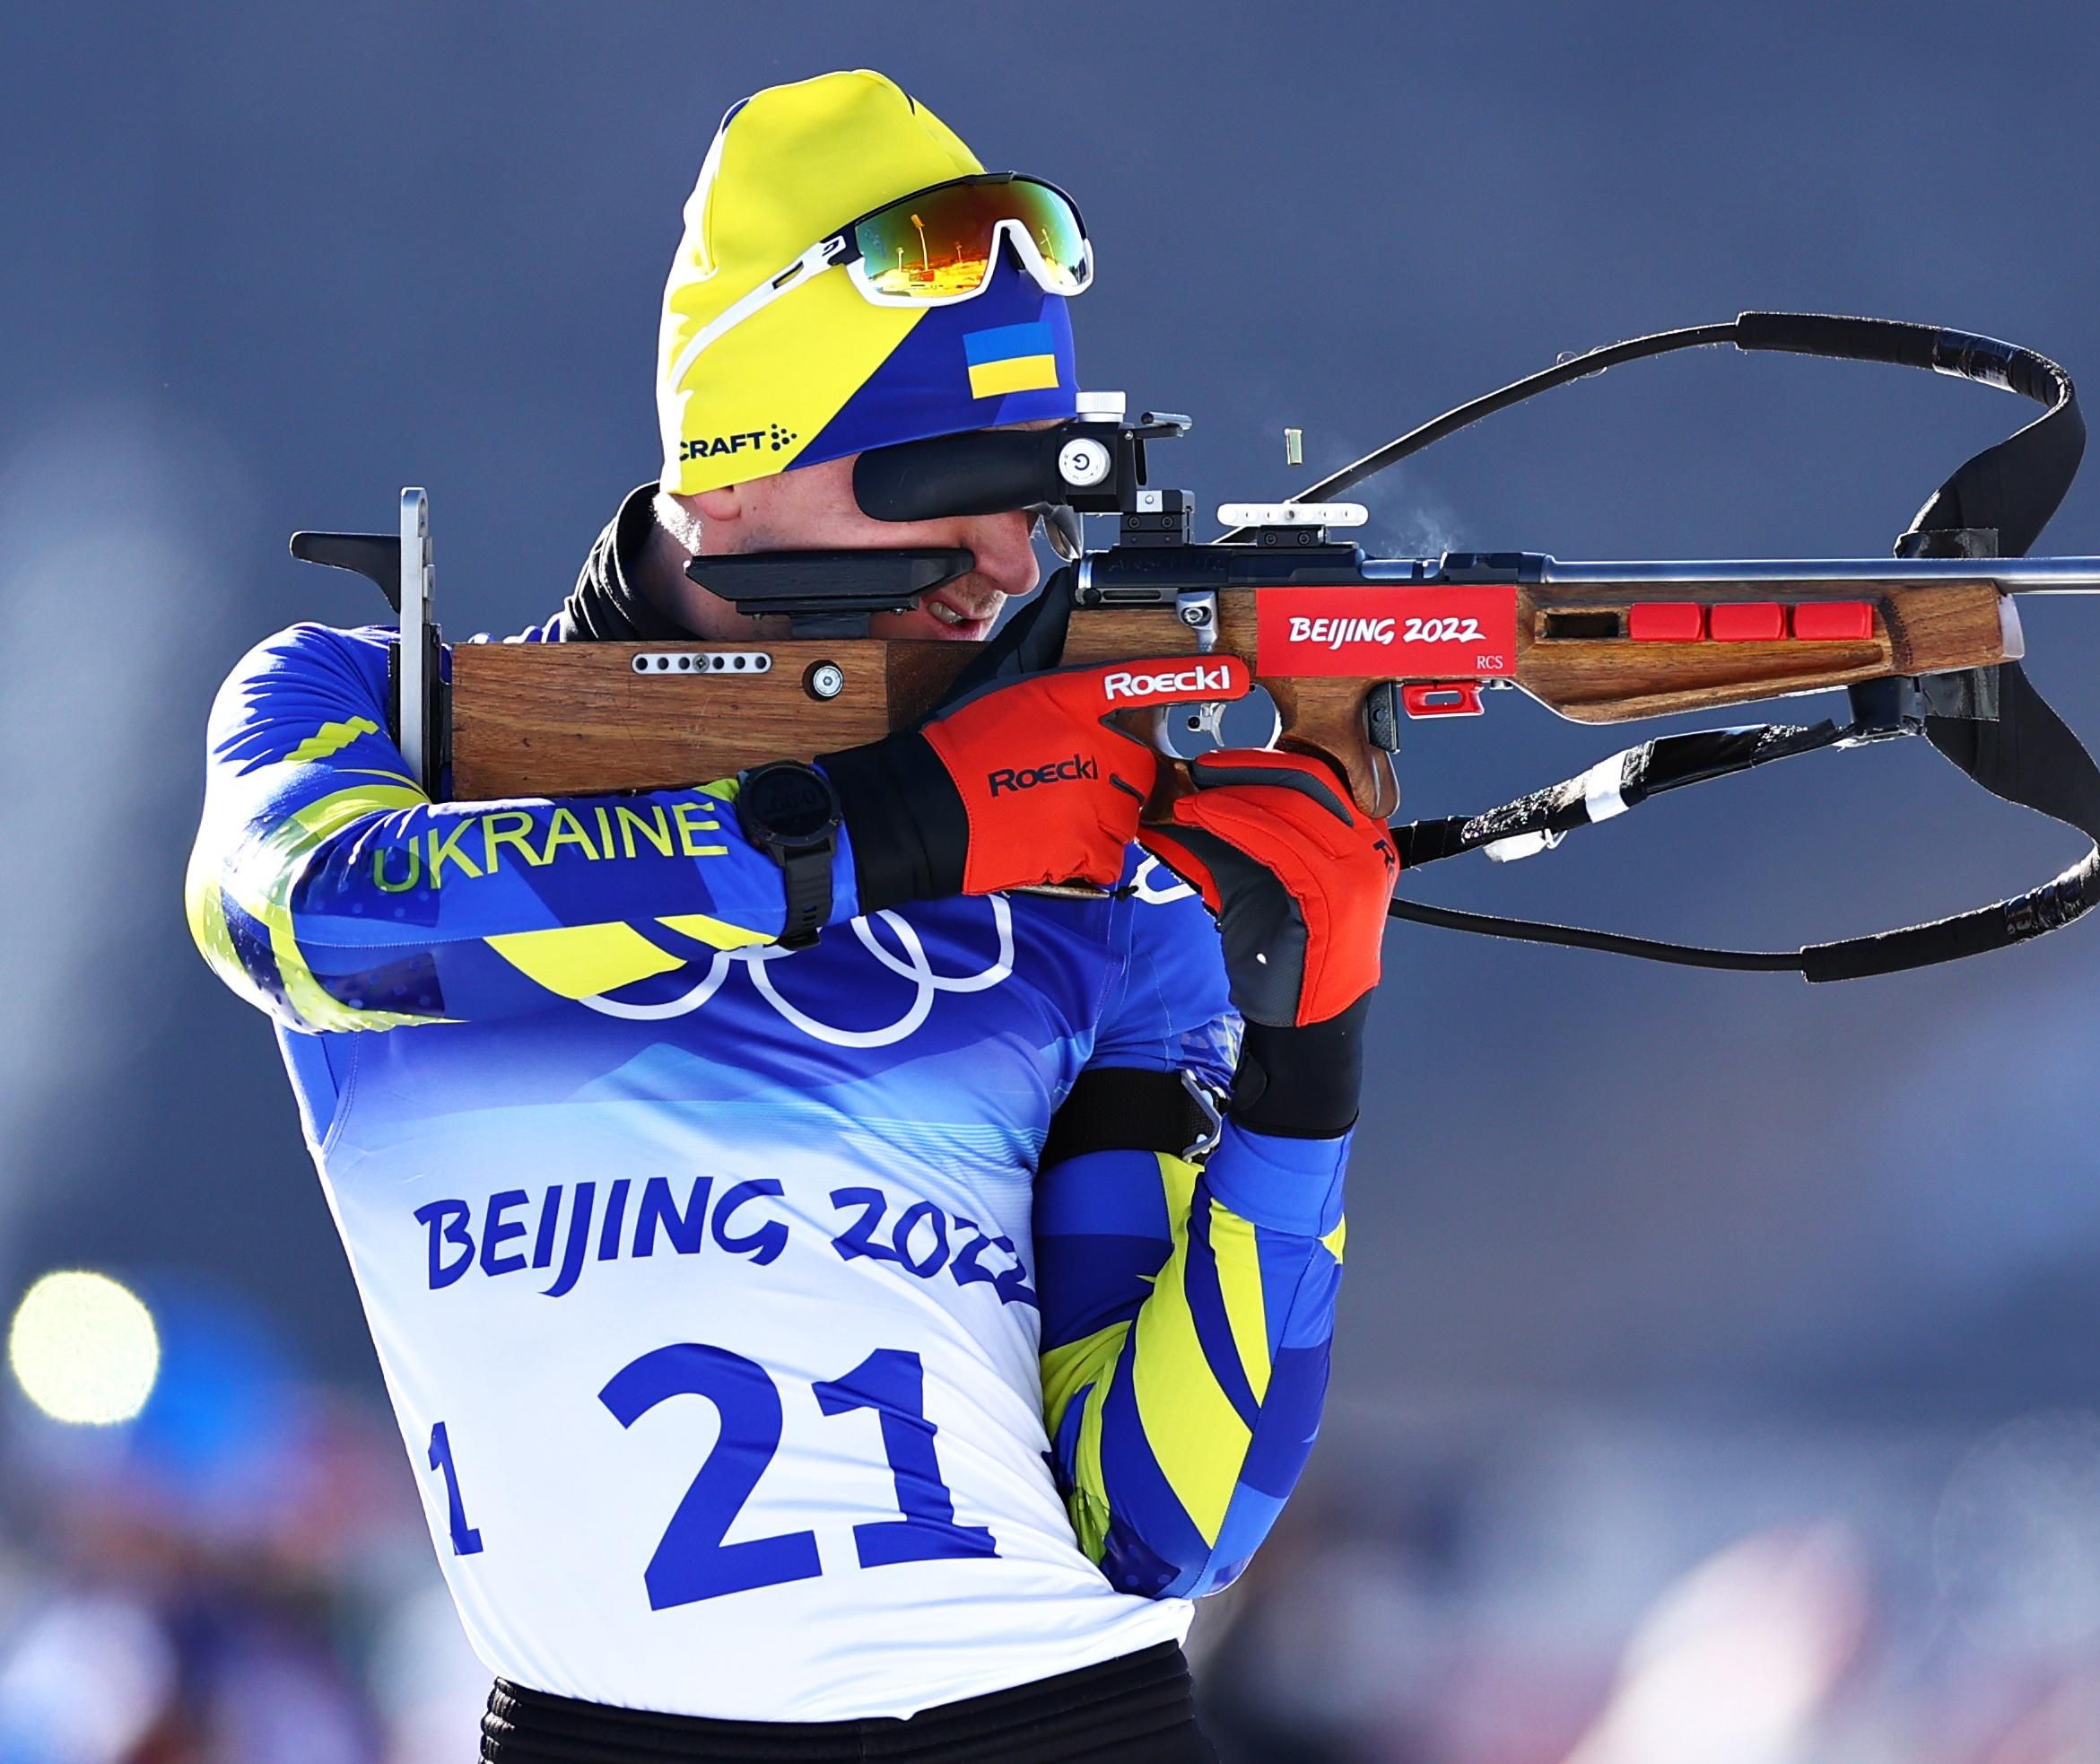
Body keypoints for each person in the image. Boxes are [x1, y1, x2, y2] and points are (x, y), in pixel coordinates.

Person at [184, 70, 1393, 1762]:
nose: (1003, 561)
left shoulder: (1094, 884)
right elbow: (316, 925)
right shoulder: (373, 722)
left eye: (1039, 501)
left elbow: (1166, 1520)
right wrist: (882, 834)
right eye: (938, 483)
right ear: (733, 478)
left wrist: (1305, 1066)